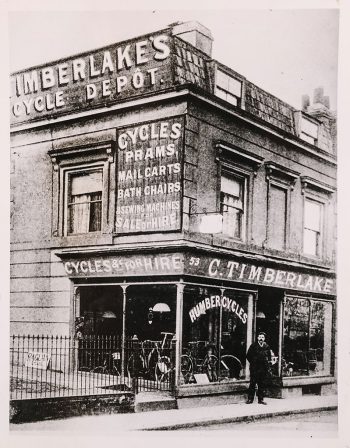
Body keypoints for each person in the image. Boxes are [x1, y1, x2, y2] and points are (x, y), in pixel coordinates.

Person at [246, 331, 271, 405]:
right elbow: (248, 356)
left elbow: (269, 357)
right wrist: (253, 362)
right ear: (257, 338)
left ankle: (261, 399)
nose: (261, 339)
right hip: (255, 368)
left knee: (261, 384)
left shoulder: (266, 346)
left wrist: (267, 364)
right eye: (260, 337)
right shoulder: (253, 346)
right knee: (252, 383)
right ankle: (250, 399)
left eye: (262, 337)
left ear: (264, 339)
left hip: (263, 368)